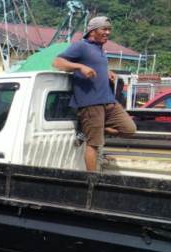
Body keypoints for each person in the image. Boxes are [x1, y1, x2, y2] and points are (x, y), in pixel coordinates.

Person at [53, 16, 136, 172]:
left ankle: (91, 129)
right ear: (92, 31)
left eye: (109, 29)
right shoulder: (81, 46)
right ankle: (92, 180)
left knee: (129, 129)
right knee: (94, 145)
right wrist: (80, 67)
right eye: (104, 29)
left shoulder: (99, 49)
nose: (108, 32)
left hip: (108, 101)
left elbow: (94, 66)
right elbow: (57, 62)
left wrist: (106, 71)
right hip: (91, 104)